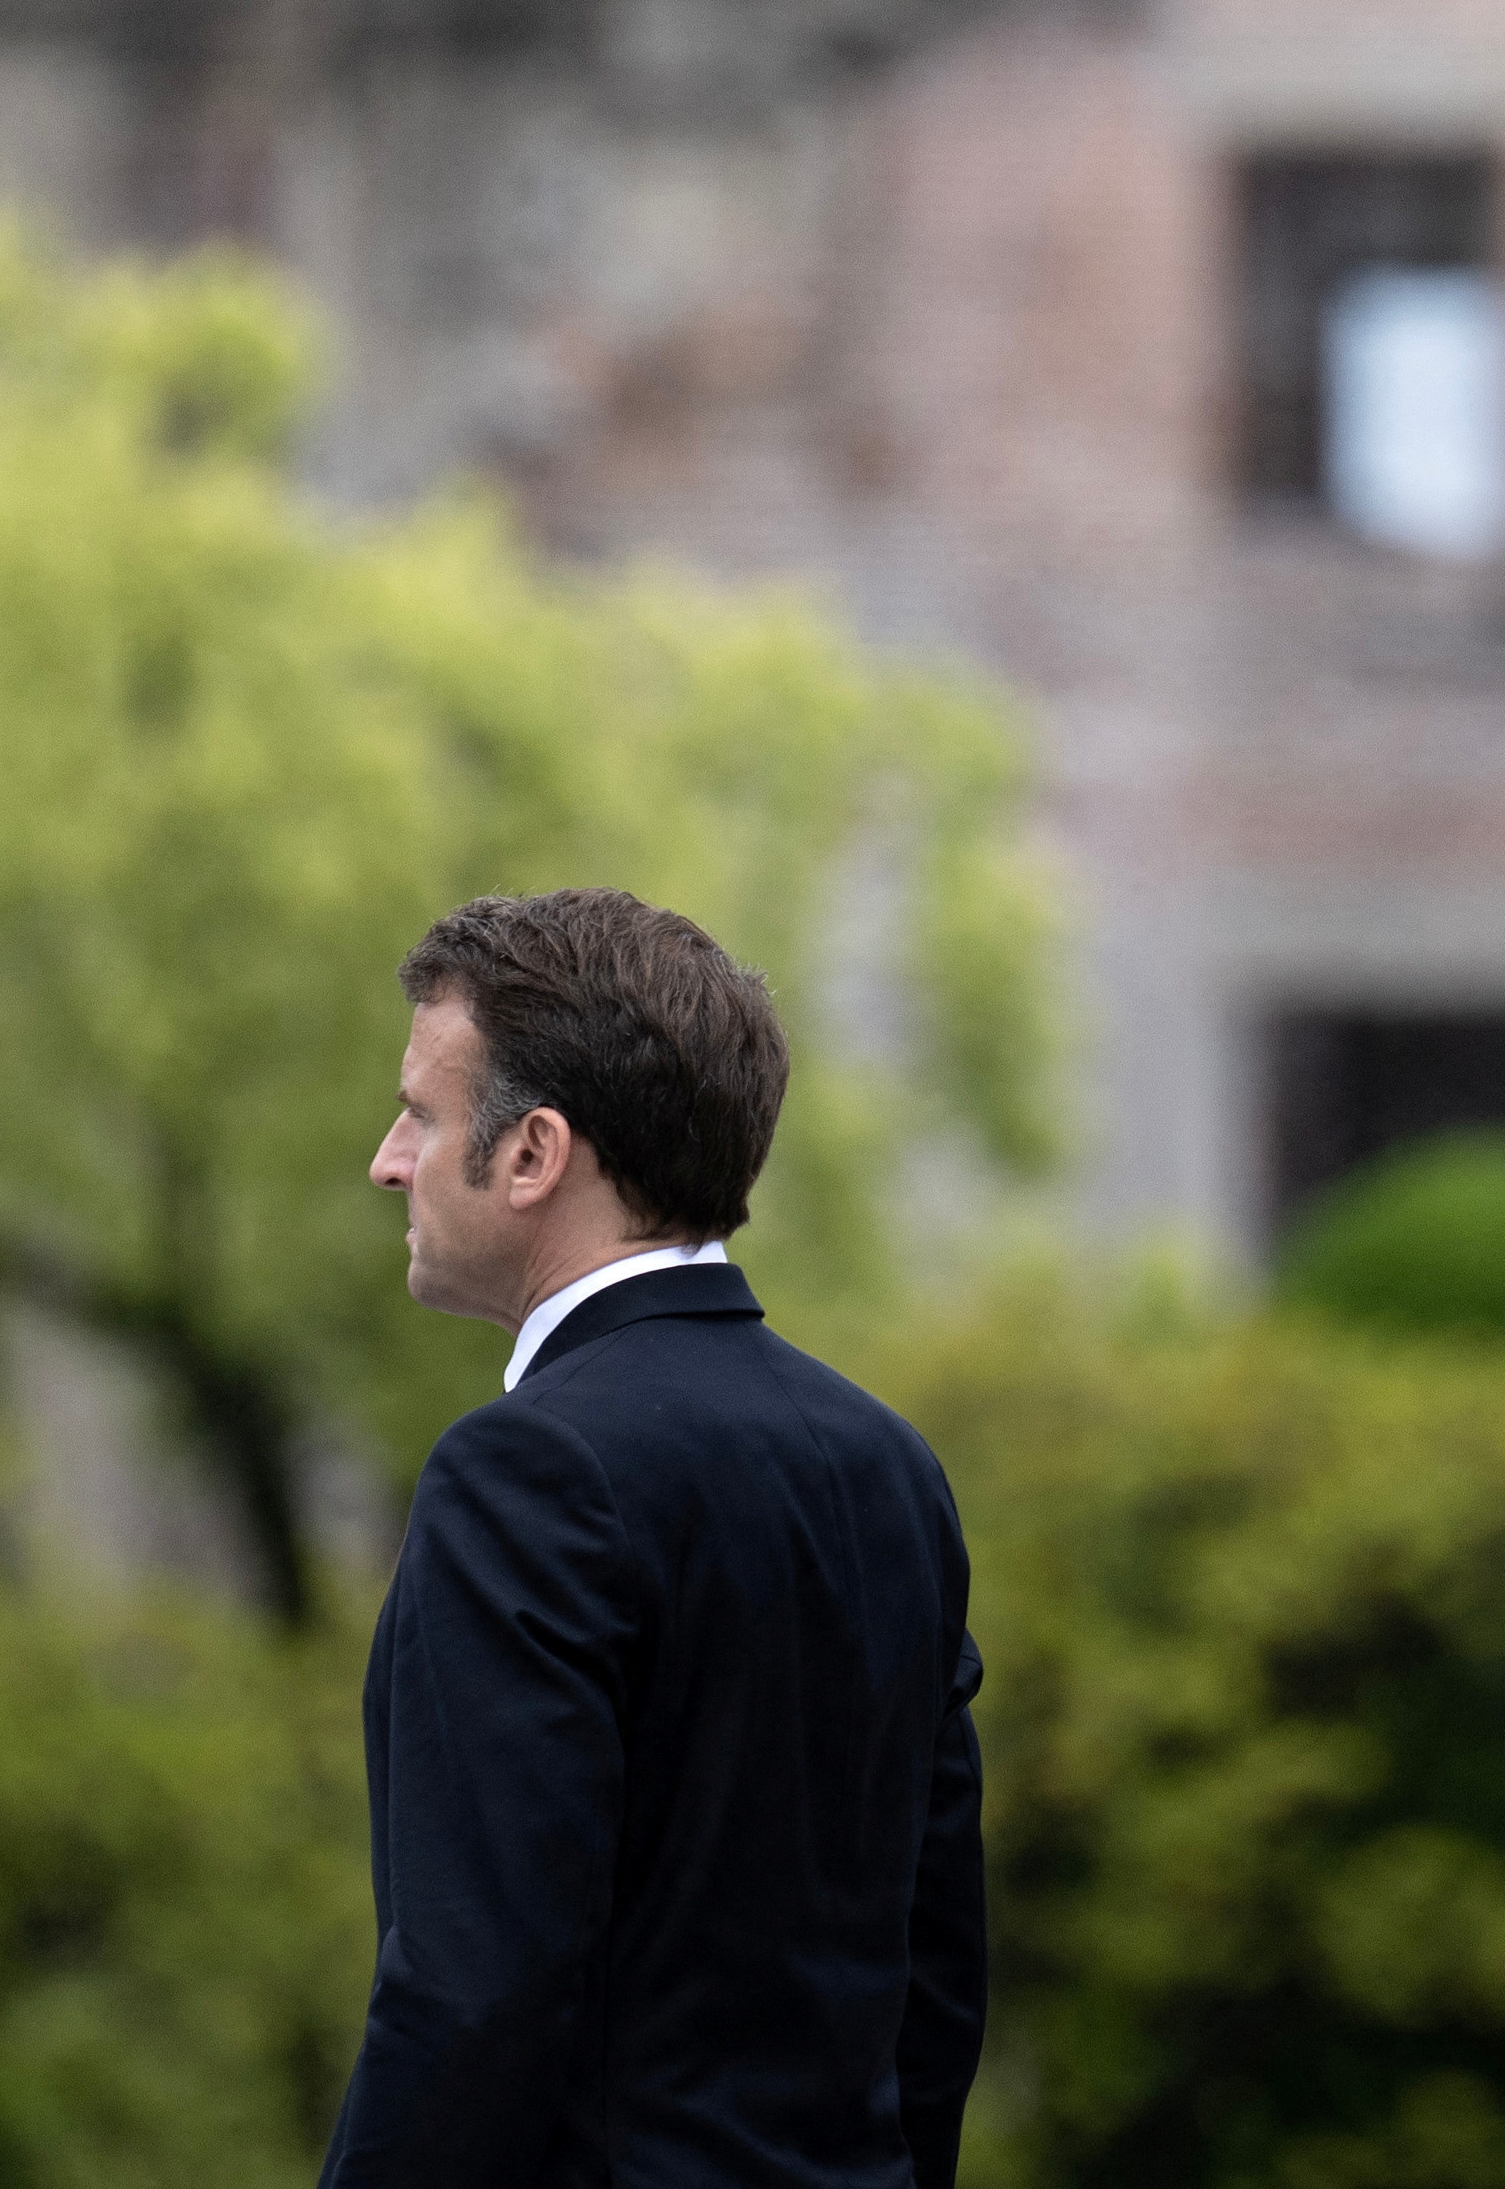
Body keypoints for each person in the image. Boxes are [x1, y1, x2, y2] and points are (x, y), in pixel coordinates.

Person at [322, 887, 987, 2189]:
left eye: (420, 1113)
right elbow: (938, 1962)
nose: (387, 1160)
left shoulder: (525, 1473)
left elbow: (473, 1990)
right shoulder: (887, 1466)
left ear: (531, 1156)